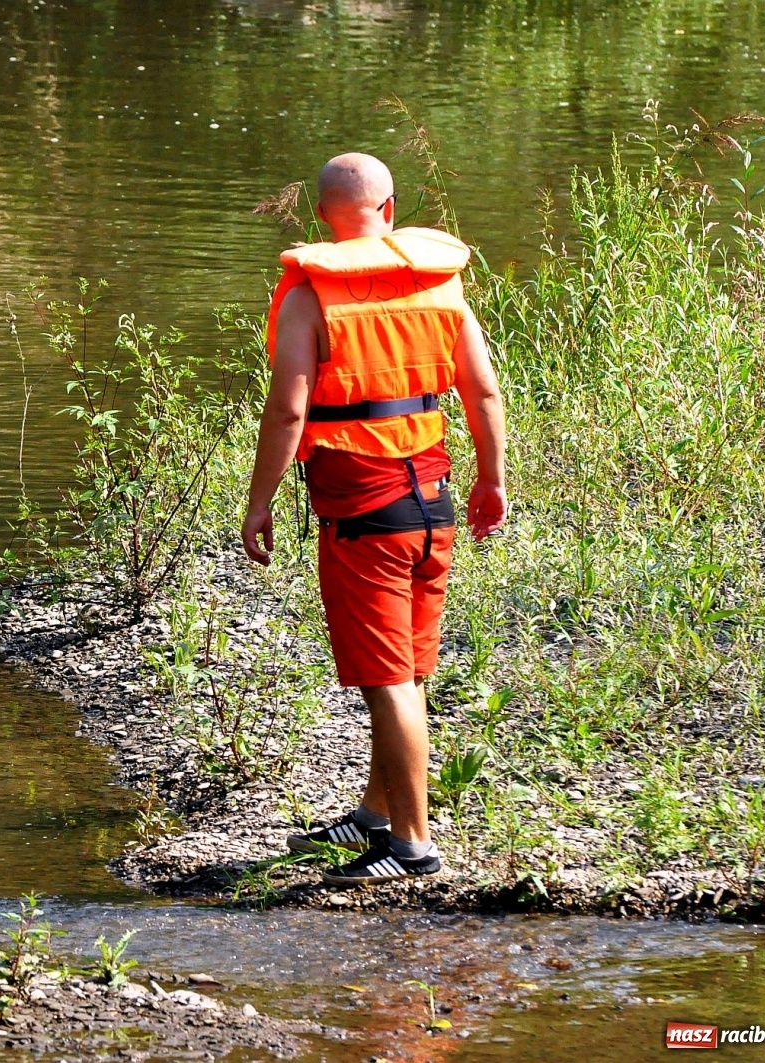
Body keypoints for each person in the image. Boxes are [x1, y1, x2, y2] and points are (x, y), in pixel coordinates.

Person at [240, 152, 508, 886]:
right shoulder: (438, 281)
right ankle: (376, 811)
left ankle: (412, 844)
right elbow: (482, 394)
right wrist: (493, 478)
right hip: (433, 496)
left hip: (364, 506)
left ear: (321, 214)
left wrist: (259, 500)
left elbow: (291, 408)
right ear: (391, 209)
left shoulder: (309, 295)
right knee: (411, 666)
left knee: (388, 677)